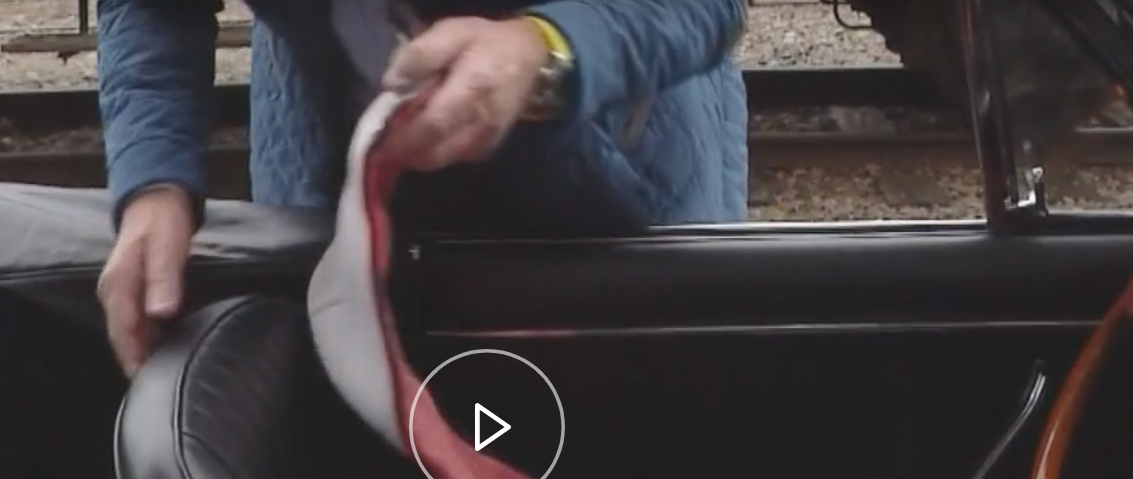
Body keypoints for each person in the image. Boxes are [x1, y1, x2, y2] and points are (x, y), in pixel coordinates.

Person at [95, 0, 749, 374]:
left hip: (611, 179)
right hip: (332, 180)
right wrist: (156, 181)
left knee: (625, 463)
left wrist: (542, 52)